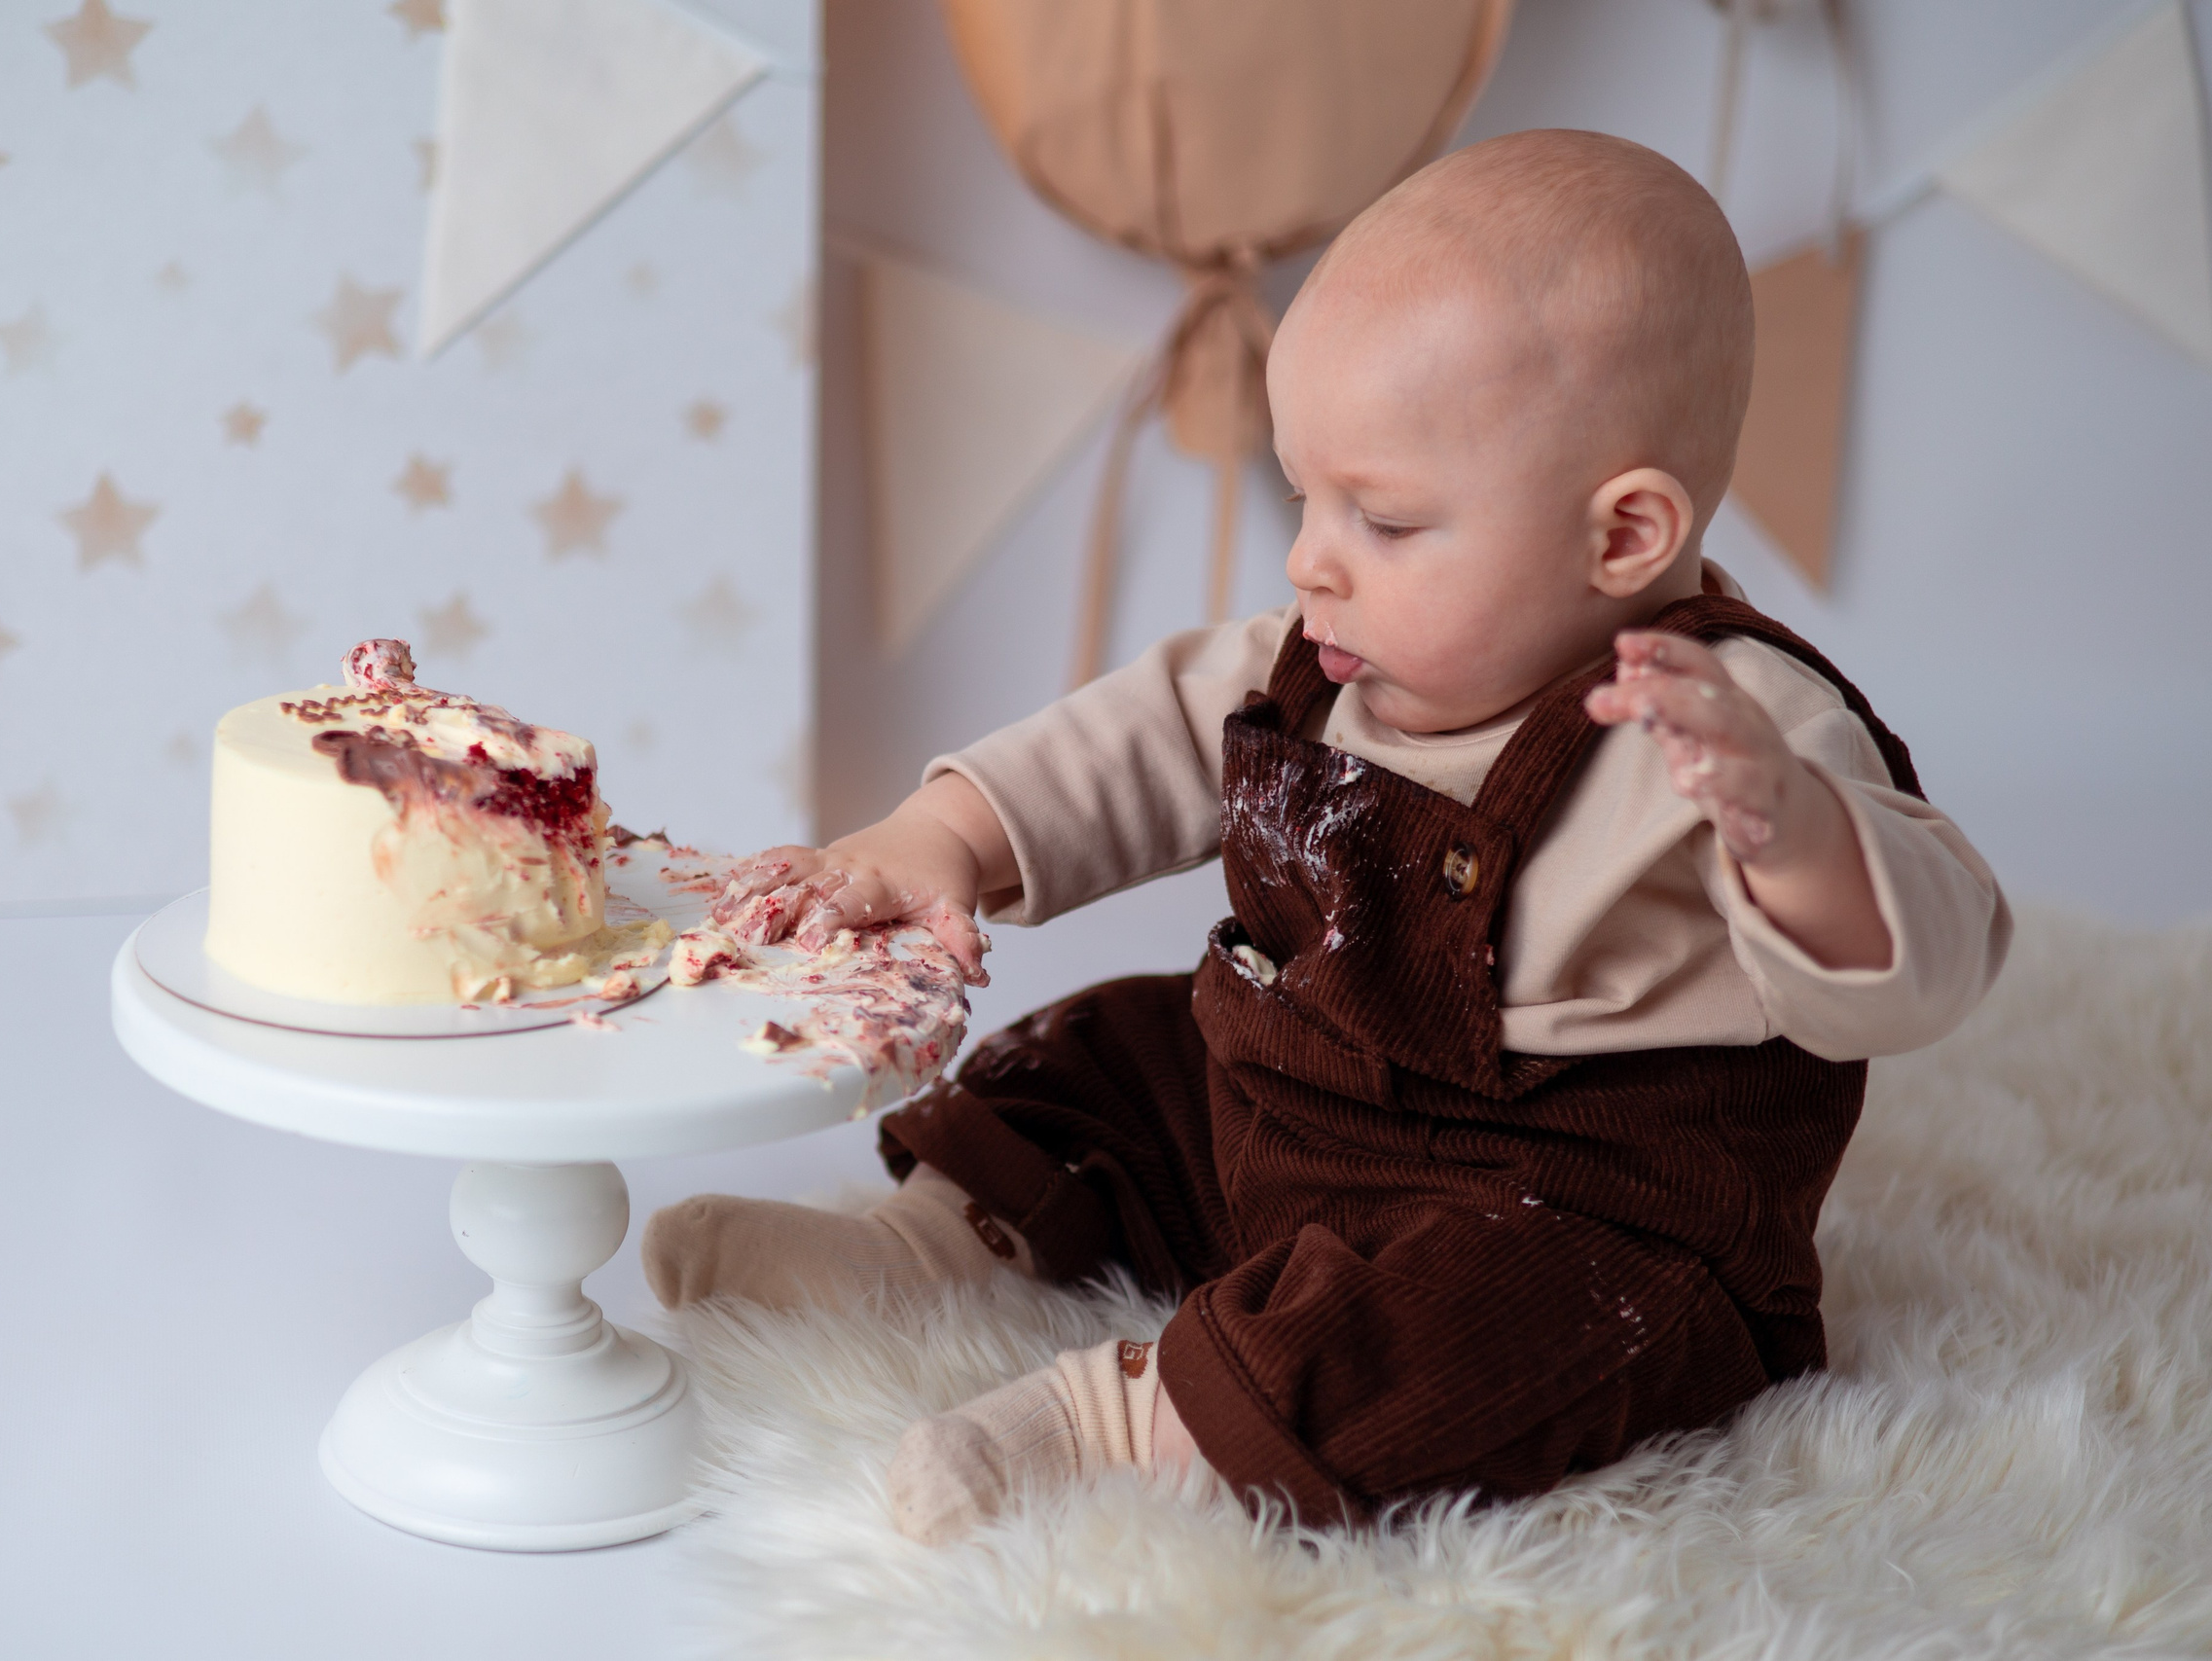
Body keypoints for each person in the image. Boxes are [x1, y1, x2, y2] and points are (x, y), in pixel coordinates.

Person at [646, 128, 2012, 1543]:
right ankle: (919, 1249)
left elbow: (1934, 961)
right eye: (1308, 495)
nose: (1312, 558)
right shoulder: (1322, 658)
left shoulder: (1736, 727)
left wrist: (1794, 842)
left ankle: (1131, 1419)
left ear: (1623, 538)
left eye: (1386, 516)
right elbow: (1133, 739)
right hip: (1296, 1124)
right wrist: (946, 833)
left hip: (1576, 1204)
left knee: (1478, 1337)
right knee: (1124, 1046)